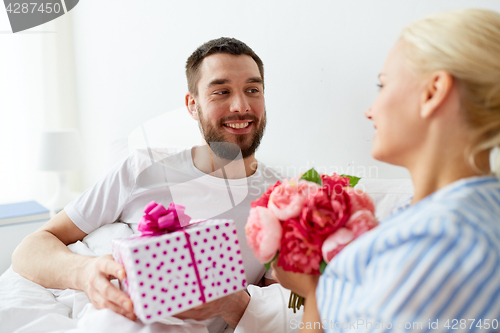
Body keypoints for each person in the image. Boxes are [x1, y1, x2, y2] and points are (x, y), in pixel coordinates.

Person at [11, 37, 286, 332]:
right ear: (193, 105)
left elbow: (284, 308)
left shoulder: (284, 201)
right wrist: (85, 272)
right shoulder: (142, 167)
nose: (241, 105)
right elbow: (28, 249)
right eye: (221, 91)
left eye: (253, 90)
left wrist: (233, 304)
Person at [272, 8, 500, 332]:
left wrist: (312, 294)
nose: (369, 110)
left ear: (433, 92)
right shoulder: (444, 217)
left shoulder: (442, 244)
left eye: (382, 86)